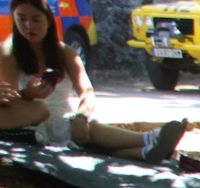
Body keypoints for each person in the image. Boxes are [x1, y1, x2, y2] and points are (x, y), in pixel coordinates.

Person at [1, 0, 186, 162]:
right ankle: (151, 139)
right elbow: (11, 102)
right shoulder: (9, 52)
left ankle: (147, 149)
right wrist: (28, 94)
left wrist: (81, 116)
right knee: (88, 135)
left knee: (87, 129)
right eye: (21, 18)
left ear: (48, 20)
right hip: (31, 122)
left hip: (63, 121)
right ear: (14, 19)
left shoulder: (65, 52)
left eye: (35, 19)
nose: (28, 26)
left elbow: (88, 93)